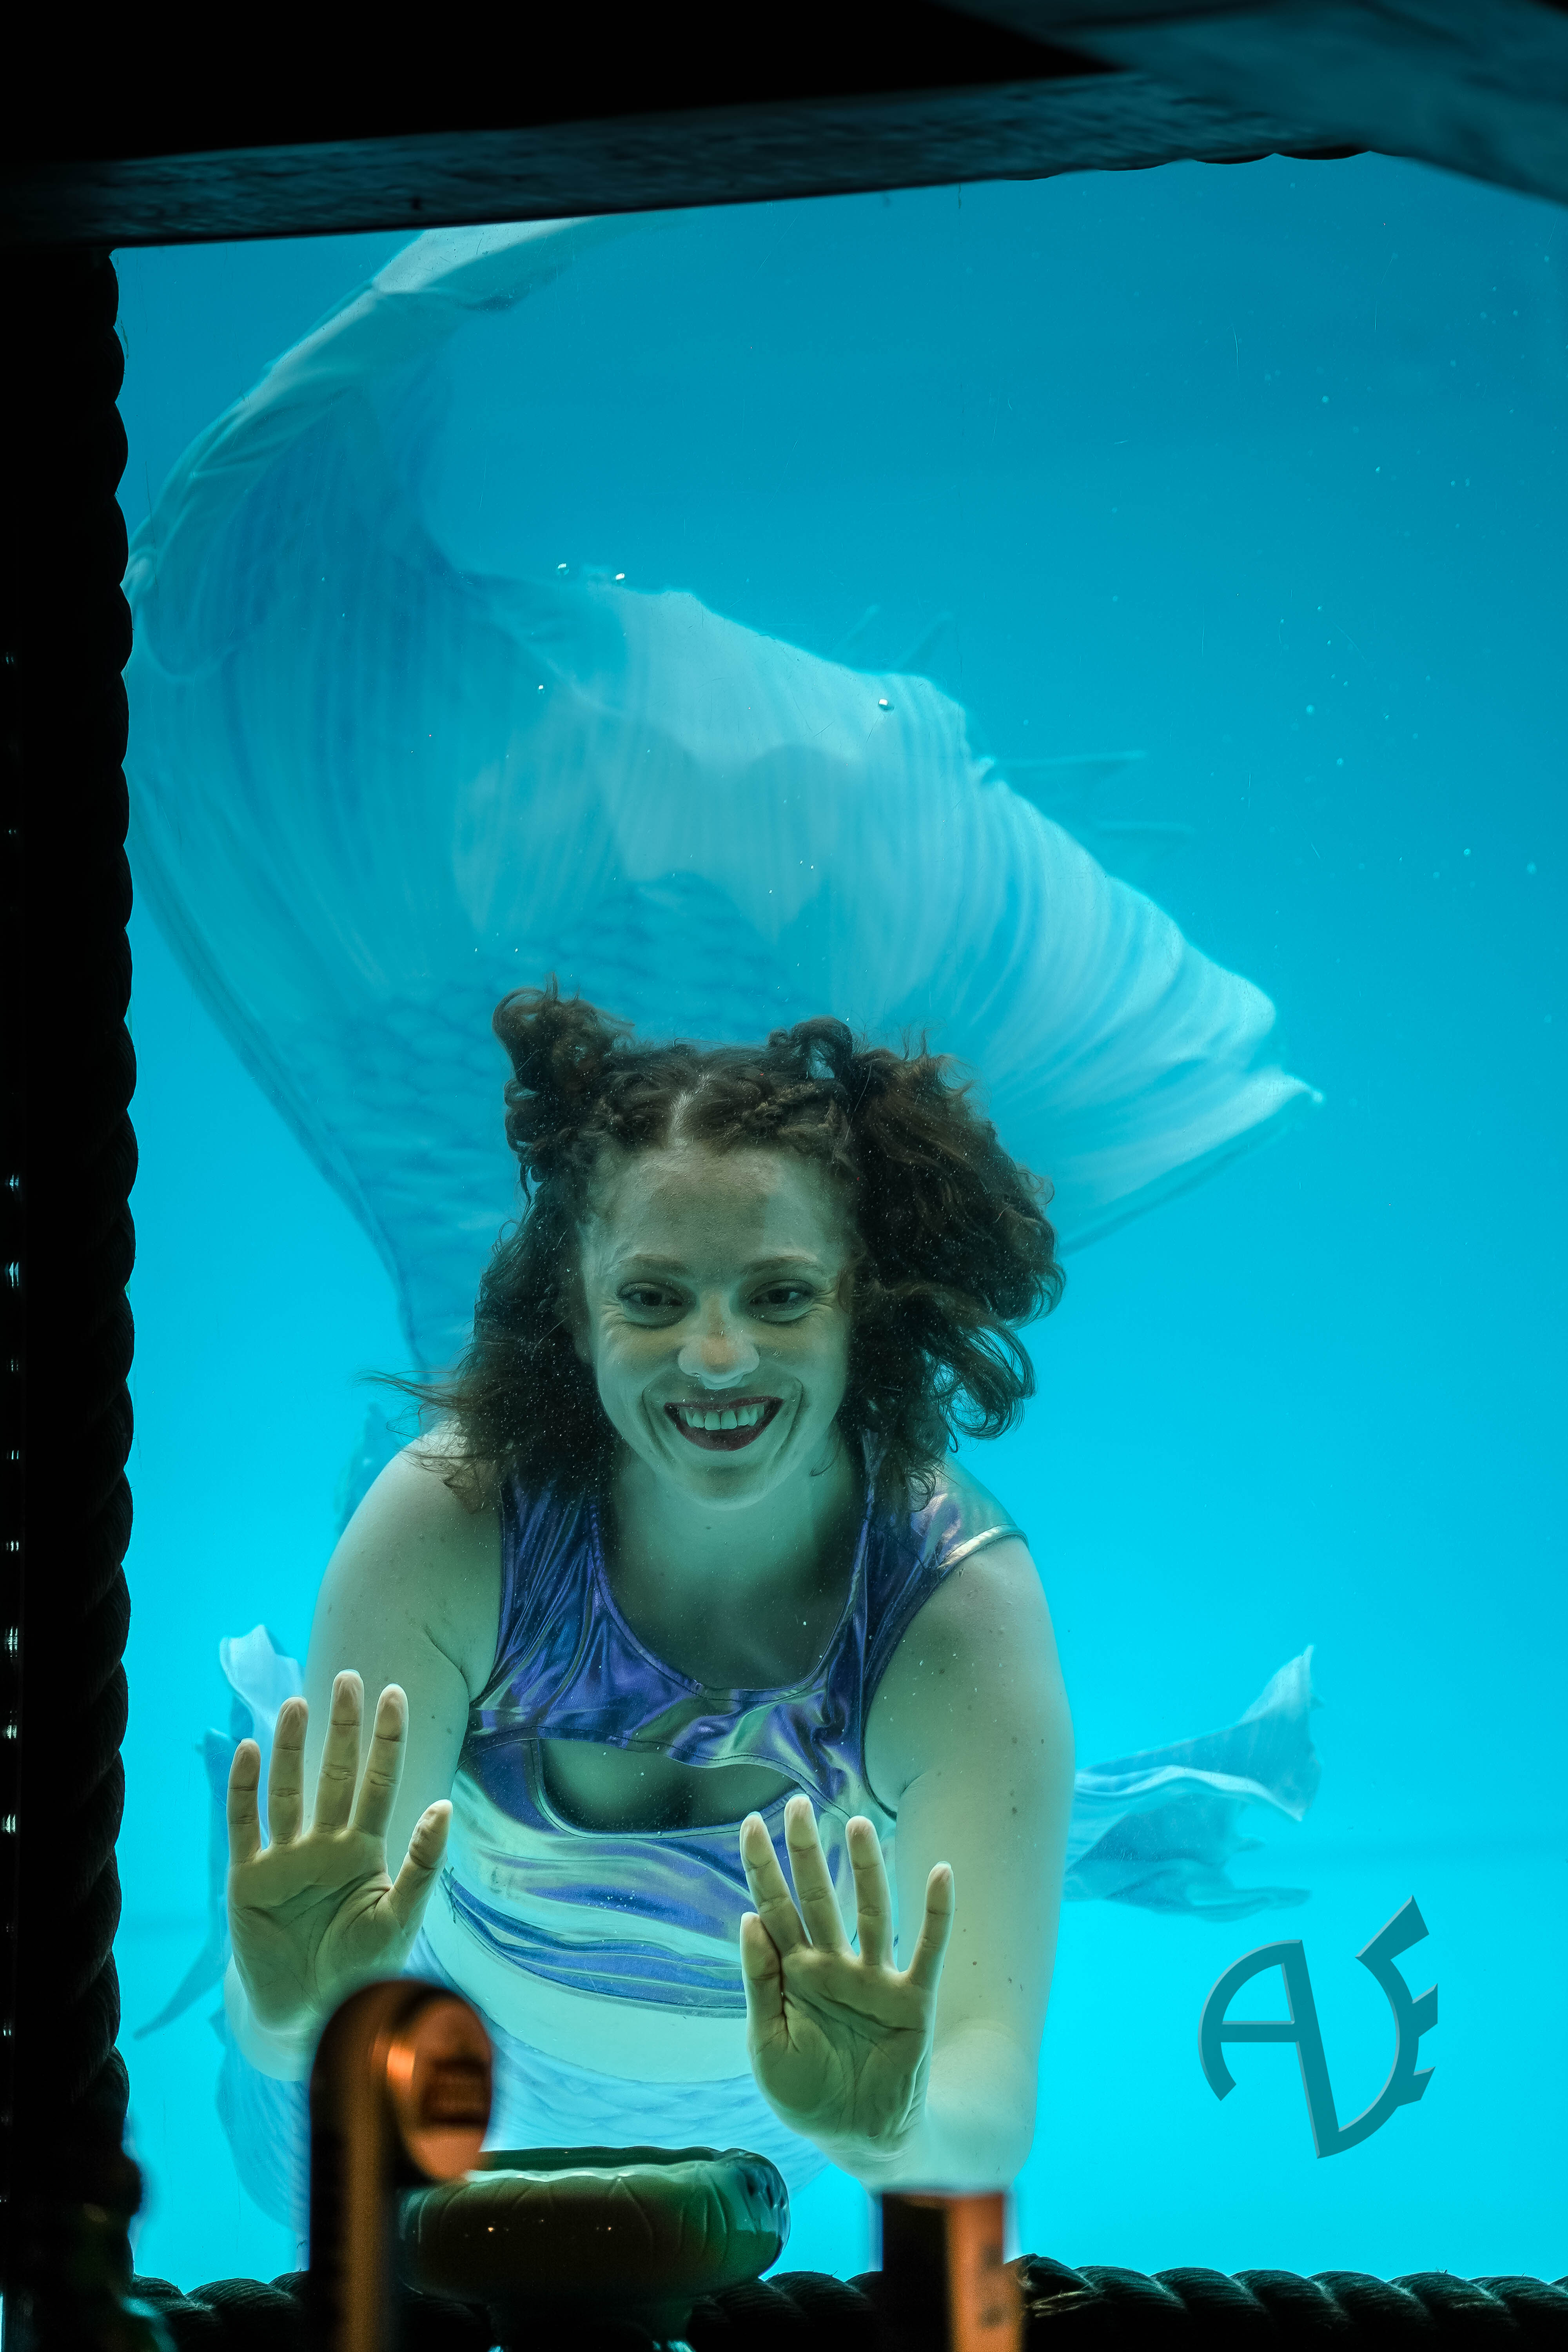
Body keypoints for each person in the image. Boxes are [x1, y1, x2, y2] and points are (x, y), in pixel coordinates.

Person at [222, 985, 1075, 2207]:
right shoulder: (453, 1523)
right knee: (273, 2177)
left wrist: (886, 2134)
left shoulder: (954, 1610)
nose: (716, 1358)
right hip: (427, 2072)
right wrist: (285, 2001)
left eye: (779, 1296)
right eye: (653, 1298)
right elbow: (297, 2036)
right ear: (575, 1312)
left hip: (764, 2136)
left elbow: (986, 2111)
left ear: (862, 1309)